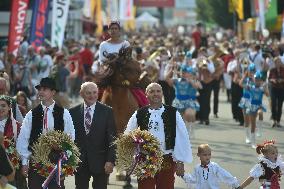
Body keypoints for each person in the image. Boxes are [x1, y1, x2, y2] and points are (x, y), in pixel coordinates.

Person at [125, 82, 193, 189]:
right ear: (146, 94)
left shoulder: (173, 112)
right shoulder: (139, 113)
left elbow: (182, 137)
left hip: (166, 159)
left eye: (158, 91)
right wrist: (129, 159)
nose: (155, 94)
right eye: (152, 91)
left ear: (162, 93)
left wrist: (180, 161)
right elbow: (128, 136)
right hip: (145, 159)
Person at [16, 77, 75, 189]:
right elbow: (23, 139)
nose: (41, 91)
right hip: (35, 163)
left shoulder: (64, 114)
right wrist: (24, 163)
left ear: (53, 92)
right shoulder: (31, 114)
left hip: (56, 163)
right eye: (40, 89)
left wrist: (66, 162)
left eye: (45, 89)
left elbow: (71, 138)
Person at [69, 82, 117, 189]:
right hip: (79, 163)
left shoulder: (107, 111)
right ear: (81, 94)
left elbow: (112, 138)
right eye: (88, 93)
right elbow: (69, 139)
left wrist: (110, 160)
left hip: (101, 162)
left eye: (95, 92)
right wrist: (70, 160)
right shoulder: (72, 112)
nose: (92, 96)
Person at [166, 65, 201, 139]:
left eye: (186, 72)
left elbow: (197, 86)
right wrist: (171, 70)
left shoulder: (194, 80)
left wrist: (190, 81)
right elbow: (167, 79)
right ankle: (184, 132)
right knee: (180, 120)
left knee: (189, 114)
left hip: (190, 101)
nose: (184, 74)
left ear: (190, 73)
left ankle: (190, 130)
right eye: (183, 72)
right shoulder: (176, 80)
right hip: (179, 102)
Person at [0, 95, 27, 188]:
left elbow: (23, 148)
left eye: (3, 106)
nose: (0, 108)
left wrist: (24, 165)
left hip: (13, 170)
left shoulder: (17, 126)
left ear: (9, 108)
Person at [268, 57, 284, 128]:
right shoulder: (272, 70)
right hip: (273, 88)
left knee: (280, 105)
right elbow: (269, 78)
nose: (278, 63)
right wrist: (273, 80)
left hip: (281, 88)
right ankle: (274, 120)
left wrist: (282, 80)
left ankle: (278, 121)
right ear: (275, 63)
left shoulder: (283, 70)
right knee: (273, 104)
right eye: (277, 62)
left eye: (279, 62)